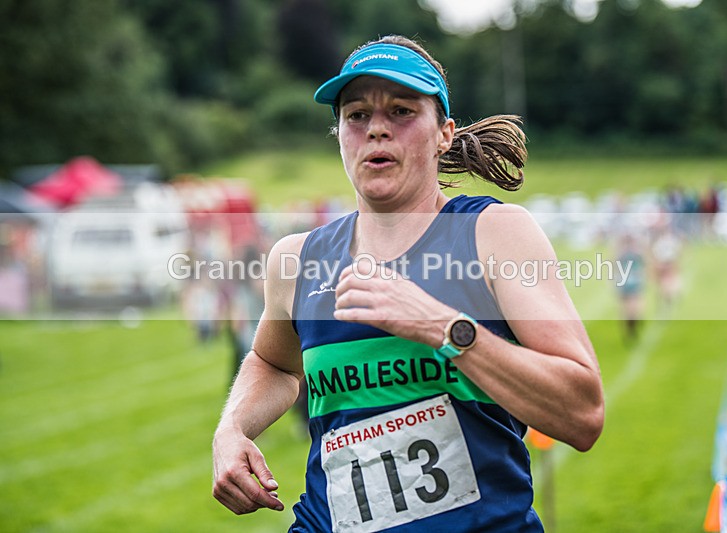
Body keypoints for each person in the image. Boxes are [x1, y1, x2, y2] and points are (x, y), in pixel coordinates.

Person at [212, 35, 604, 532]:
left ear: (444, 132)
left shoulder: (492, 235)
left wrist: (442, 326)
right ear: (338, 134)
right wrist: (230, 430)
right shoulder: (297, 259)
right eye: (356, 115)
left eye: (401, 111)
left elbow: (582, 412)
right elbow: (273, 363)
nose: (376, 129)